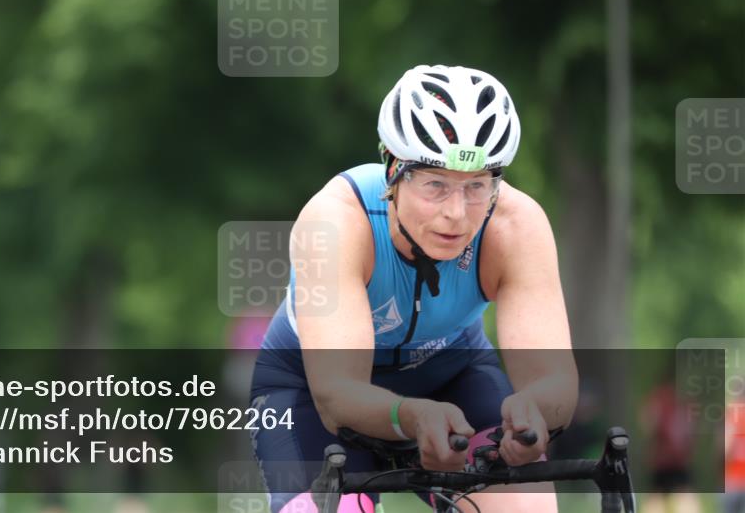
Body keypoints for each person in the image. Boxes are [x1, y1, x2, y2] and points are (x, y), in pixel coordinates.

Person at [250, 65, 578, 513]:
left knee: (527, 508)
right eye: (436, 185)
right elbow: (338, 396)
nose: (457, 214)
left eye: (477, 186)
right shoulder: (336, 222)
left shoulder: (516, 226)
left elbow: (556, 381)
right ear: (392, 169)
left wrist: (535, 415)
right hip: (310, 393)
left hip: (453, 378)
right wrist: (413, 416)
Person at [639, 375, 700, 513]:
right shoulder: (685, 402)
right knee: (683, 496)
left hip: (662, 458)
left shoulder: (659, 398)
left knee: (657, 498)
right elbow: (692, 431)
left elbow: (649, 424)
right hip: (678, 459)